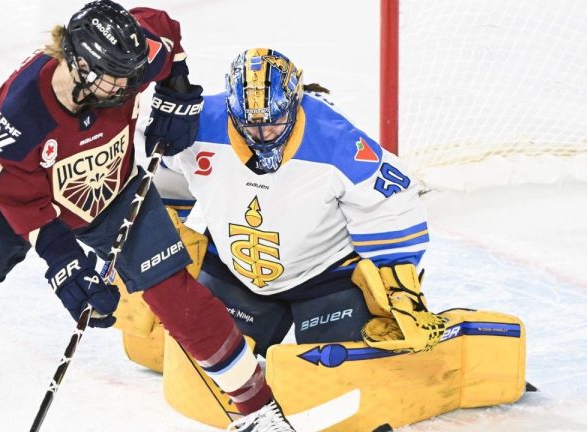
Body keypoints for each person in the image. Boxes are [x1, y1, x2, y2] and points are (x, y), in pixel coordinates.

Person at [0, 5, 292, 432]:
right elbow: (18, 196)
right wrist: (63, 262)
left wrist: (176, 87)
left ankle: (258, 409)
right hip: (25, 198)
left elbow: (166, 34)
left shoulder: (127, 58)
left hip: (114, 190)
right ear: (76, 64)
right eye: (114, 78)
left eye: (133, 75)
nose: (127, 86)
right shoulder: (20, 112)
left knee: (178, 298)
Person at [159, 48, 445, 429]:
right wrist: (162, 239)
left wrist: (396, 281)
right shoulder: (197, 123)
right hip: (236, 273)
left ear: (297, 102)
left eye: (274, 125)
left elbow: (393, 202)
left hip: (326, 281)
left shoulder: (337, 141)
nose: (262, 136)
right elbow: (155, 168)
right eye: (251, 125)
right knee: (201, 364)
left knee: (333, 376)